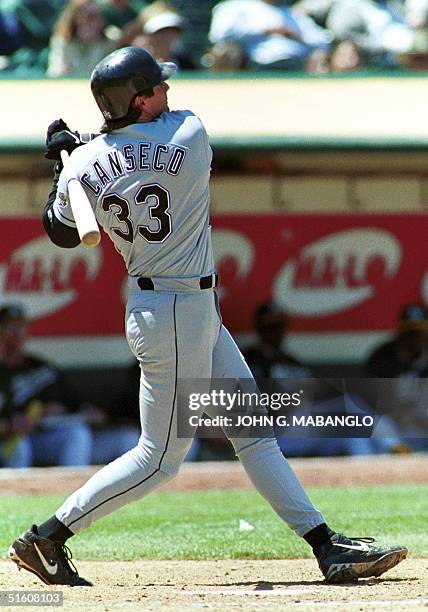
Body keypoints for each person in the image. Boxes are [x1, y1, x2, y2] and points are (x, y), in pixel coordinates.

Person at [8, 46, 406, 587]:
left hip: (172, 306)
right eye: (157, 87)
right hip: (175, 311)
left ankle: (325, 545)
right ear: (138, 98)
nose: (169, 92)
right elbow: (142, 149)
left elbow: (61, 230)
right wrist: (85, 150)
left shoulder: (84, 163)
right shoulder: (189, 134)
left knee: (252, 430)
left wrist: (63, 162)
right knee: (161, 458)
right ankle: (48, 537)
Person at [0, 304, 92, 468]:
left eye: (21, 327)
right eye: (9, 328)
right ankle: (18, 494)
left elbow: (80, 405)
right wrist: (10, 425)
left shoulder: (40, 366)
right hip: (10, 441)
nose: (16, 334)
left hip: (42, 436)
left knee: (77, 434)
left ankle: (73, 493)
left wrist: (57, 410)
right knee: (19, 446)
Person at [208, 0, 333, 72]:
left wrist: (297, 36)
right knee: (226, 51)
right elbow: (218, 34)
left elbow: (324, 41)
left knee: (319, 55)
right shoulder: (237, 6)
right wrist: (265, 30)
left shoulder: (292, 13)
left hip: (295, 63)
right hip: (254, 63)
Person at [47, 0, 115, 77]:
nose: (86, 21)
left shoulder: (111, 41)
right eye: (81, 15)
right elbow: (56, 73)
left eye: (92, 16)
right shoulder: (63, 42)